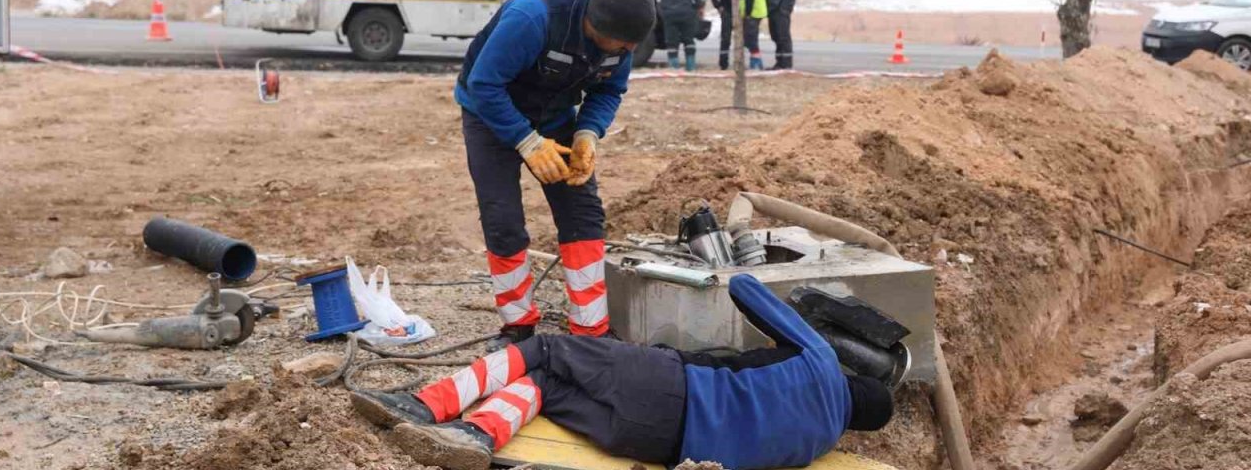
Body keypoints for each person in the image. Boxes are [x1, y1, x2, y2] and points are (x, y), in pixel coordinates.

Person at [350, 275, 895, 470]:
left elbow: (744, 289)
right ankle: (472, 435)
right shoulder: (818, 445)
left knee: (544, 350)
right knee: (546, 387)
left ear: (855, 381)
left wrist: (802, 324)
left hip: (671, 386)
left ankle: (425, 406)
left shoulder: (823, 362)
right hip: (657, 444)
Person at [454, 0, 656, 351]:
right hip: (490, 115)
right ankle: (517, 326)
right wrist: (526, 142)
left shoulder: (619, 45)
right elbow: (484, 84)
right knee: (503, 220)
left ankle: (590, 329)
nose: (630, 50)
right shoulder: (533, 18)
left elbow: (609, 91)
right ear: (598, 26)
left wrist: (587, 134)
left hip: (554, 116)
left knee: (583, 212)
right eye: (625, 43)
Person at [708, 0, 733, 70]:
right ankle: (723, 64)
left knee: (744, 38)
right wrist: (718, 6)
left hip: (740, 10)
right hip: (727, 10)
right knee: (725, 38)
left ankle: (741, 62)